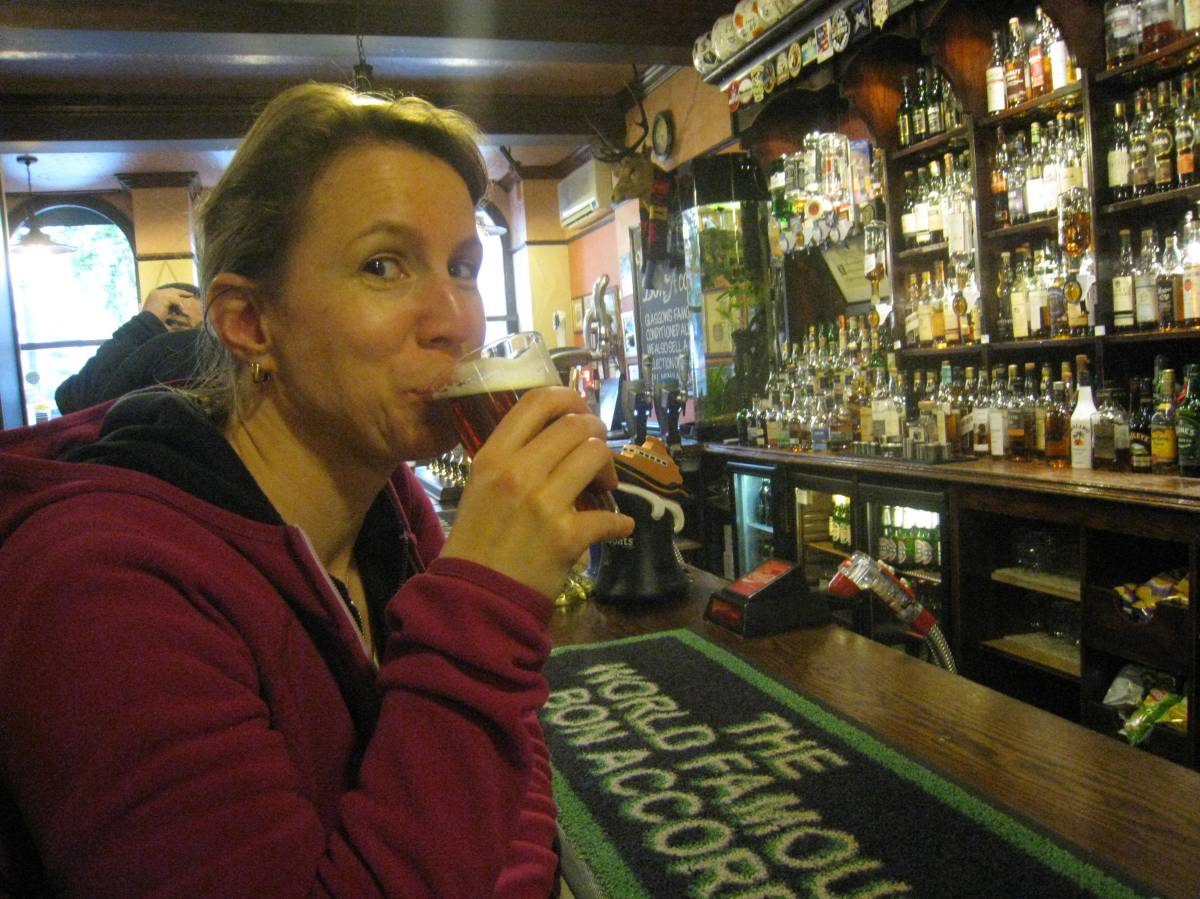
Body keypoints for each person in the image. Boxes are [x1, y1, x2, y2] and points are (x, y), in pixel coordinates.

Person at [0, 83, 633, 897]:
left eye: (462, 267)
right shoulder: (98, 587)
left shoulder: (390, 503)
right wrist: (486, 602)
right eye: (383, 266)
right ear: (250, 323)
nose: (454, 320)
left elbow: (505, 780)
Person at [54, 282, 203, 414]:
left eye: (200, 331)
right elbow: (77, 404)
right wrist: (145, 324)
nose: (190, 338)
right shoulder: (131, 367)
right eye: (176, 323)